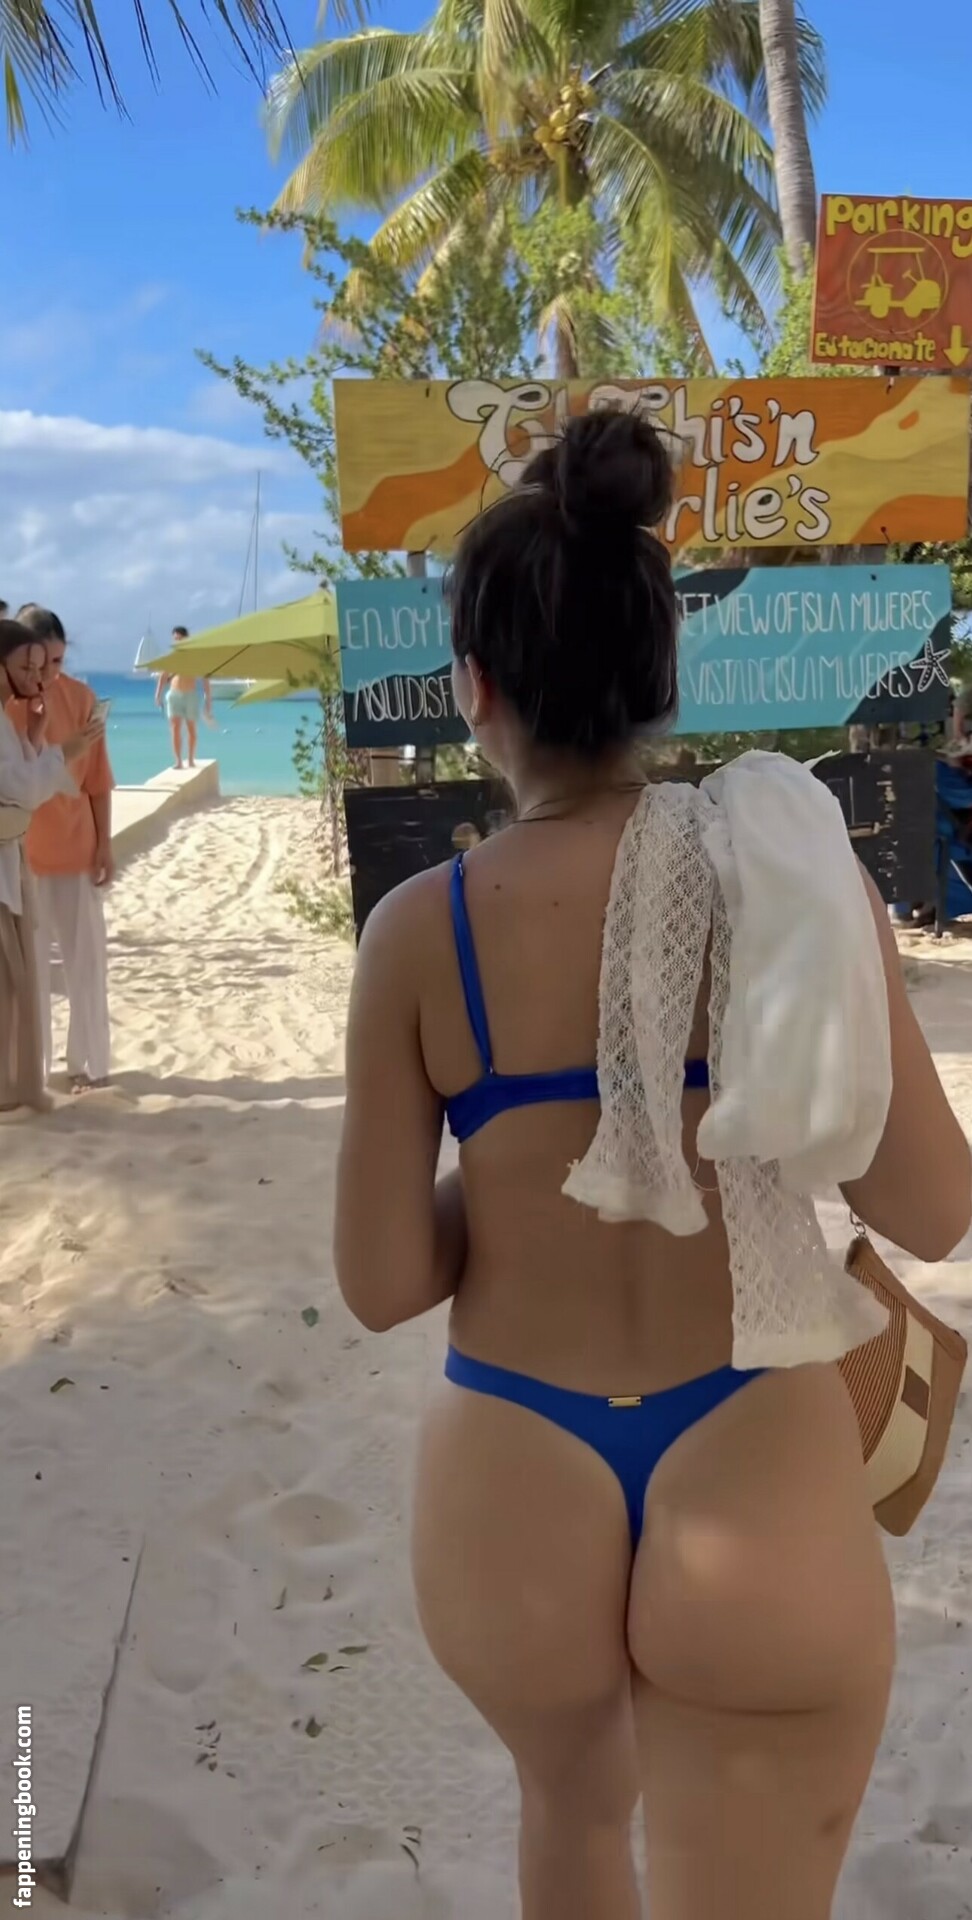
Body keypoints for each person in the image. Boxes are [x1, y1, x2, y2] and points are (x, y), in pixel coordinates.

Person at [334, 411, 972, 1920]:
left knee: (568, 1812)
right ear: (665, 673)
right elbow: (932, 1209)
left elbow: (382, 1283)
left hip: (510, 1465)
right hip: (753, 1441)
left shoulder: (419, 933)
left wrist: (525, 1159)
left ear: (476, 691)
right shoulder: (791, 881)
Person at [8, 607, 115, 1092]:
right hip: (21, 858)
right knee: (27, 976)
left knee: (85, 967)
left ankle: (88, 1063)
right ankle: (31, 1067)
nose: (48, 673)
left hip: (76, 851)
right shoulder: (7, 706)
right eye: (40, 663)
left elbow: (97, 780)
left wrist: (105, 844)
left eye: (57, 661)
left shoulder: (82, 698)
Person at [155, 626, 212, 770]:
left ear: (186, 639)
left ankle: (191, 759)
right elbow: (163, 676)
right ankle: (178, 761)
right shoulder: (171, 657)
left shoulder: (194, 657)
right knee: (175, 728)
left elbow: (205, 678)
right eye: (175, 639)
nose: (177, 641)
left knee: (191, 729)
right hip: (174, 694)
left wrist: (208, 699)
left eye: (180, 638)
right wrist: (158, 695)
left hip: (190, 695)